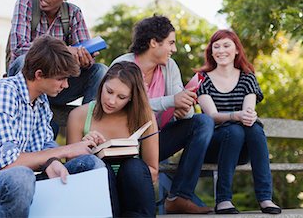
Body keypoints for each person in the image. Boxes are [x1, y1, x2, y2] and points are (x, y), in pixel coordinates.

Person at [0, 35, 106, 217]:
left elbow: (44, 146)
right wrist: (68, 150)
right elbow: (10, 164)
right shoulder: (1, 93)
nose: (66, 85)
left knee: (89, 164)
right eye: (61, 78)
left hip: (11, 192)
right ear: (39, 75)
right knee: (21, 176)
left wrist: (53, 162)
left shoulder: (40, 99)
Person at [111, 15, 214, 214]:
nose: (174, 49)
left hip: (156, 141)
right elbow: (122, 108)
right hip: (126, 143)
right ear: (153, 42)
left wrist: (184, 107)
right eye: (170, 43)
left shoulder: (170, 66)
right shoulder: (123, 66)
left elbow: (182, 107)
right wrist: (170, 102)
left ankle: (179, 197)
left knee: (202, 122)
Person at [196, 29, 281, 214]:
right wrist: (236, 116)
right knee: (234, 130)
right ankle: (223, 200)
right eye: (216, 47)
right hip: (213, 145)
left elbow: (248, 112)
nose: (221, 50)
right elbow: (211, 116)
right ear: (211, 52)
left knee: (254, 128)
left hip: (241, 149)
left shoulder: (247, 77)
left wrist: (247, 116)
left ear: (236, 50)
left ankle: (266, 198)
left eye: (226, 45)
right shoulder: (203, 79)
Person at [7, 0, 107, 107]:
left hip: (58, 85)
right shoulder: (25, 4)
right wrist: (65, 51)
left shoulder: (73, 13)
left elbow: (82, 54)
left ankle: (88, 122)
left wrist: (84, 59)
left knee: (100, 70)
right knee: (23, 60)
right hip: (25, 80)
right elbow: (19, 48)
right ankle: (25, 110)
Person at [67, 61, 159, 217]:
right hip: (99, 195)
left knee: (133, 167)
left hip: (133, 195)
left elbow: (153, 172)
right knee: (102, 168)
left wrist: (121, 182)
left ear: (131, 98)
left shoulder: (144, 116)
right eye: (109, 91)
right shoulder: (79, 115)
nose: (111, 101)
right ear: (102, 85)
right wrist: (84, 148)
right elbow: (72, 171)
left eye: (121, 97)